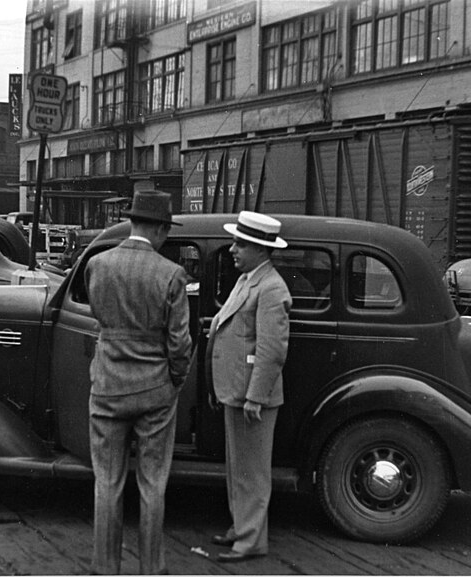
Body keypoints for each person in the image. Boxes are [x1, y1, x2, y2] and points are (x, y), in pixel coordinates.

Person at [85, 189, 192, 575]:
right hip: (155, 390)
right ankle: (151, 569)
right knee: (152, 485)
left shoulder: (98, 265)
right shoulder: (171, 274)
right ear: (162, 230)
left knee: (107, 482)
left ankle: (105, 566)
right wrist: (174, 380)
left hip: (109, 385)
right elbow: (180, 343)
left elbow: (99, 318)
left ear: (131, 222)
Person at [206, 211, 292, 563]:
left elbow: (272, 351)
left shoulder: (271, 288)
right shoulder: (249, 279)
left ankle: (252, 540)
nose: (232, 249)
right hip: (236, 389)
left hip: (251, 395)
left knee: (252, 472)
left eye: (240, 244)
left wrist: (255, 396)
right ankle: (242, 528)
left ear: (260, 248)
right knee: (238, 468)